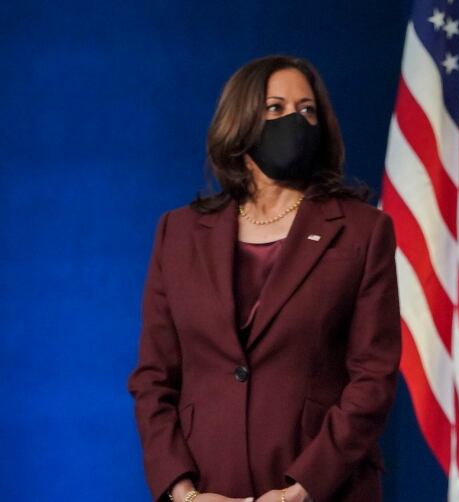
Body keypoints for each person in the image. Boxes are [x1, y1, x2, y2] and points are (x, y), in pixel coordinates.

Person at [129, 56, 401, 502]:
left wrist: (305, 487)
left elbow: (373, 377)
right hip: (205, 487)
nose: (295, 120)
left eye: (307, 110)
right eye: (275, 108)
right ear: (240, 122)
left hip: (323, 490)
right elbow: (153, 378)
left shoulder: (362, 230)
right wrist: (182, 491)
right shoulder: (177, 233)